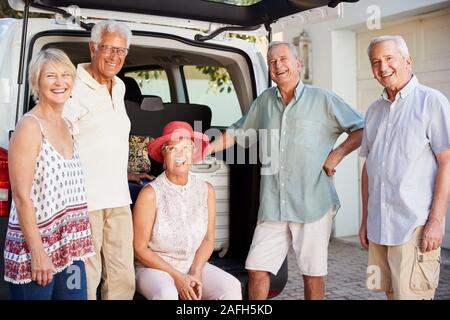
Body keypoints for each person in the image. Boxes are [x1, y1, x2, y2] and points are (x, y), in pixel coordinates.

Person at [205, 41, 364, 300]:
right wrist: (205, 150)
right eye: (272, 62)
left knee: (312, 275)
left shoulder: (323, 99)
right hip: (273, 206)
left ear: (297, 64)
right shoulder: (265, 101)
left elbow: (362, 128)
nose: (278, 65)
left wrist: (337, 154)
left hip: (312, 203)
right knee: (256, 269)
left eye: (283, 59)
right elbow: (238, 131)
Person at [359, 35, 450, 300]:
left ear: (407, 60)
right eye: (376, 62)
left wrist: (435, 222)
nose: (383, 67)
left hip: (414, 226)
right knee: (390, 293)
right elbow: (369, 168)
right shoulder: (374, 110)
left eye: (389, 58)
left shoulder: (431, 102)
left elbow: (447, 162)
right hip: (379, 225)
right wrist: (365, 219)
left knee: (412, 295)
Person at [4, 48, 94, 300]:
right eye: (50, 76)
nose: (59, 82)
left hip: (70, 250)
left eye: (66, 75)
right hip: (37, 251)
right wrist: (38, 253)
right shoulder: (29, 127)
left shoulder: (67, 124)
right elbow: (21, 197)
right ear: (36, 82)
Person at [63, 20, 139, 300]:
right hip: (85, 201)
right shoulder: (72, 85)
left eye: (121, 51)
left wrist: (124, 172)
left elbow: (107, 138)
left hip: (118, 199)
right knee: (87, 280)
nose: (115, 57)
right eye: (109, 48)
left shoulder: (118, 86)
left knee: (122, 279)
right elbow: (58, 139)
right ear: (93, 47)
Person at [133, 121, 242, 300]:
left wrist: (196, 272)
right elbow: (140, 248)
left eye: (186, 147)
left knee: (231, 288)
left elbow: (208, 239)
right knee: (166, 294)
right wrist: (178, 277)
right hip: (153, 268)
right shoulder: (150, 193)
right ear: (163, 154)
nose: (180, 154)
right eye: (173, 148)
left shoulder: (206, 190)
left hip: (191, 265)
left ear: (193, 152)